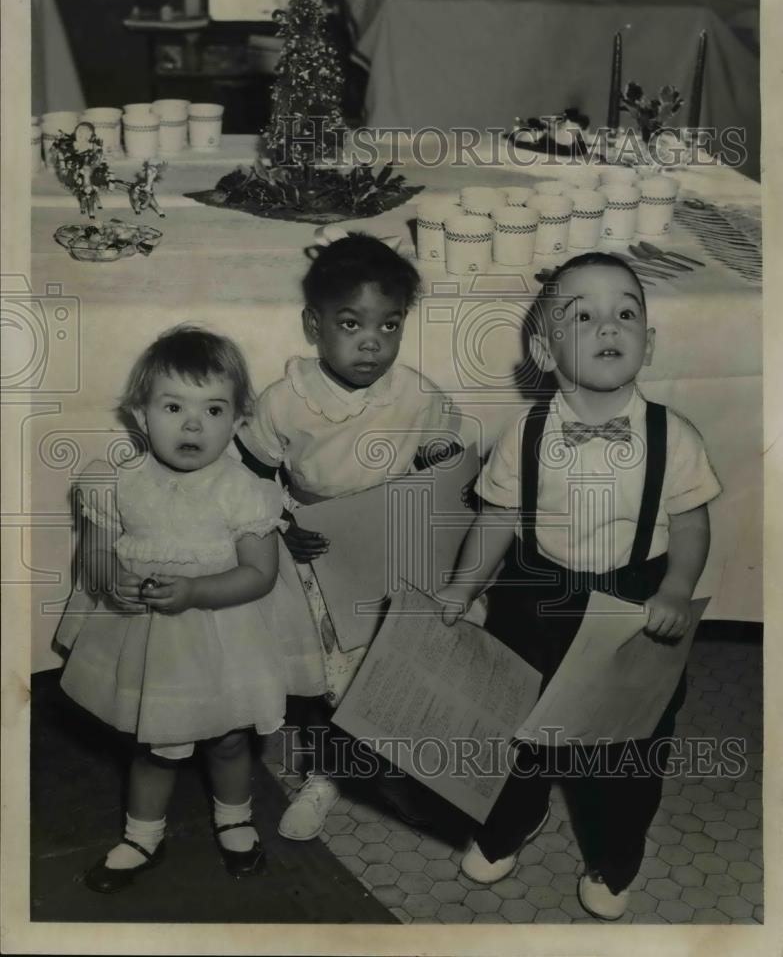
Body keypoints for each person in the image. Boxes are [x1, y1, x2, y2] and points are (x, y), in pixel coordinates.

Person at [437, 252, 721, 920]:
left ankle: (614, 855)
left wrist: (677, 589)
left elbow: (689, 522)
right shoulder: (525, 432)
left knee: (627, 746)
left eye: (625, 312)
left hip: (633, 601)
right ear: (543, 348)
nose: (607, 327)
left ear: (646, 342)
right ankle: (512, 818)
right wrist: (461, 586)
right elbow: (498, 518)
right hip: (533, 593)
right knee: (515, 727)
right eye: (583, 315)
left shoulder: (671, 436)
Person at [235, 232, 462, 841]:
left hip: (394, 550)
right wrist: (282, 525)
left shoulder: (415, 394)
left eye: (389, 327)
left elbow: (444, 452)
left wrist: (435, 471)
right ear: (314, 324)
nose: (371, 343)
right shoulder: (286, 402)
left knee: (394, 665)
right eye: (351, 323)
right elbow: (251, 475)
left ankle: (393, 768)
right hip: (317, 554)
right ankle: (328, 773)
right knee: (328, 675)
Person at [55, 325, 288, 892]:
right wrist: (115, 582)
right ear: (140, 415)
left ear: (236, 423)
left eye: (213, 409)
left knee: (230, 737)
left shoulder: (244, 490)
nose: (192, 424)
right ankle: (142, 834)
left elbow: (260, 574)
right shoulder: (117, 484)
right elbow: (95, 557)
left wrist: (195, 592)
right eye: (173, 406)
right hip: (148, 643)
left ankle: (234, 818)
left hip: (221, 638)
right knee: (154, 742)